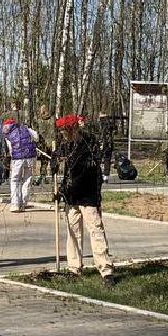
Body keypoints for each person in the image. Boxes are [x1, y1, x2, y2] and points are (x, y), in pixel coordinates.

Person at [56, 115, 117, 282]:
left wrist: (69, 187)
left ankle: (106, 270)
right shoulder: (66, 145)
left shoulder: (89, 144)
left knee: (96, 230)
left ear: (73, 129)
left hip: (88, 194)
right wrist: (55, 161)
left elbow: (88, 172)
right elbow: (58, 158)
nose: (63, 134)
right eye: (61, 132)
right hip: (72, 197)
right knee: (73, 232)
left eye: (64, 131)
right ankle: (74, 268)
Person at [5, 114, 39, 212]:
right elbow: (36, 137)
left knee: (15, 180)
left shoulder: (8, 134)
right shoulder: (26, 129)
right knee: (27, 179)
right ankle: (23, 202)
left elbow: (10, 148)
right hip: (30, 156)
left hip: (17, 158)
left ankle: (15, 204)